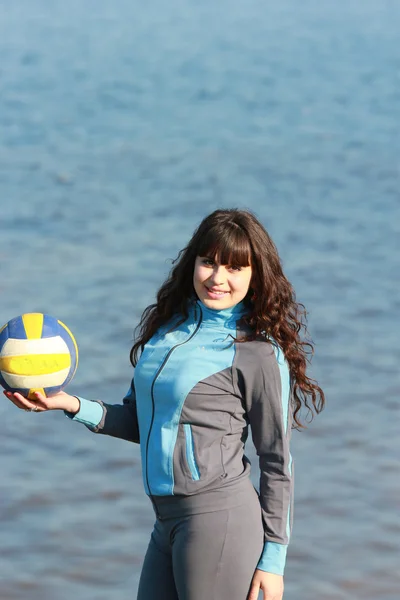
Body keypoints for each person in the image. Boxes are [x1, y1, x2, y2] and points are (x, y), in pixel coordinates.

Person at [5, 208, 325, 600]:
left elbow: (276, 461)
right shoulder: (166, 332)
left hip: (218, 519)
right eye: (209, 262)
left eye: (235, 268)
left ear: (255, 276)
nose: (217, 278)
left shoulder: (257, 353)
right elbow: (144, 424)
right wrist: (71, 405)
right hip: (165, 521)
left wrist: (273, 559)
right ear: (193, 262)